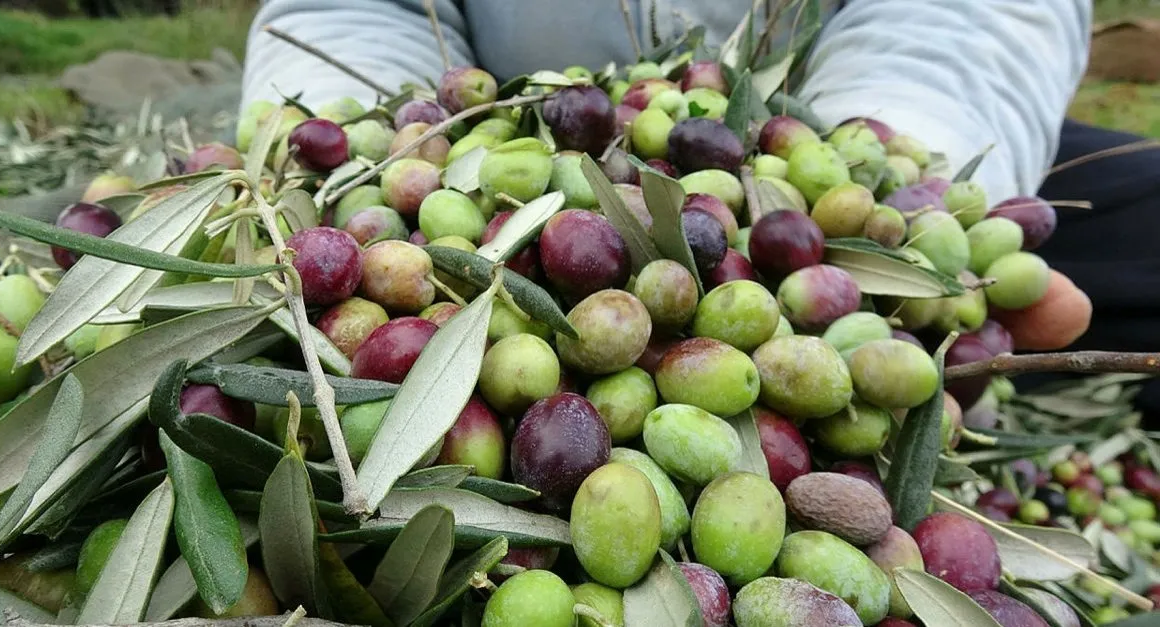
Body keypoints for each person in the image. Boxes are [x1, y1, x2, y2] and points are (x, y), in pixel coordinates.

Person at [240, 1, 1160, 399]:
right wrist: (361, 131)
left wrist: (898, 137)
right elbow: (345, 13)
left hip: (831, 112)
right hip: (519, 109)